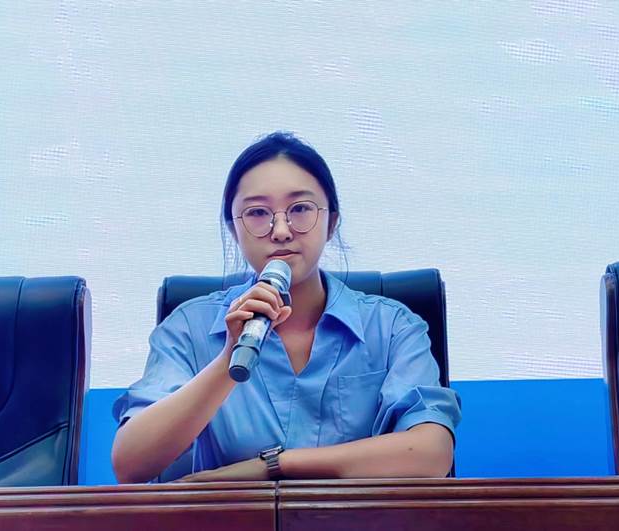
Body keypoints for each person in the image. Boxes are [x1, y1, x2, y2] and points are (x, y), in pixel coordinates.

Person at [111, 131, 462, 483]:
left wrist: (275, 465)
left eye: (300, 209)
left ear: (331, 223)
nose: (280, 230)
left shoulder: (393, 326)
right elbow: (131, 464)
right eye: (257, 213)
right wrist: (227, 360)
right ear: (234, 230)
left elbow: (431, 454)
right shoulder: (188, 328)